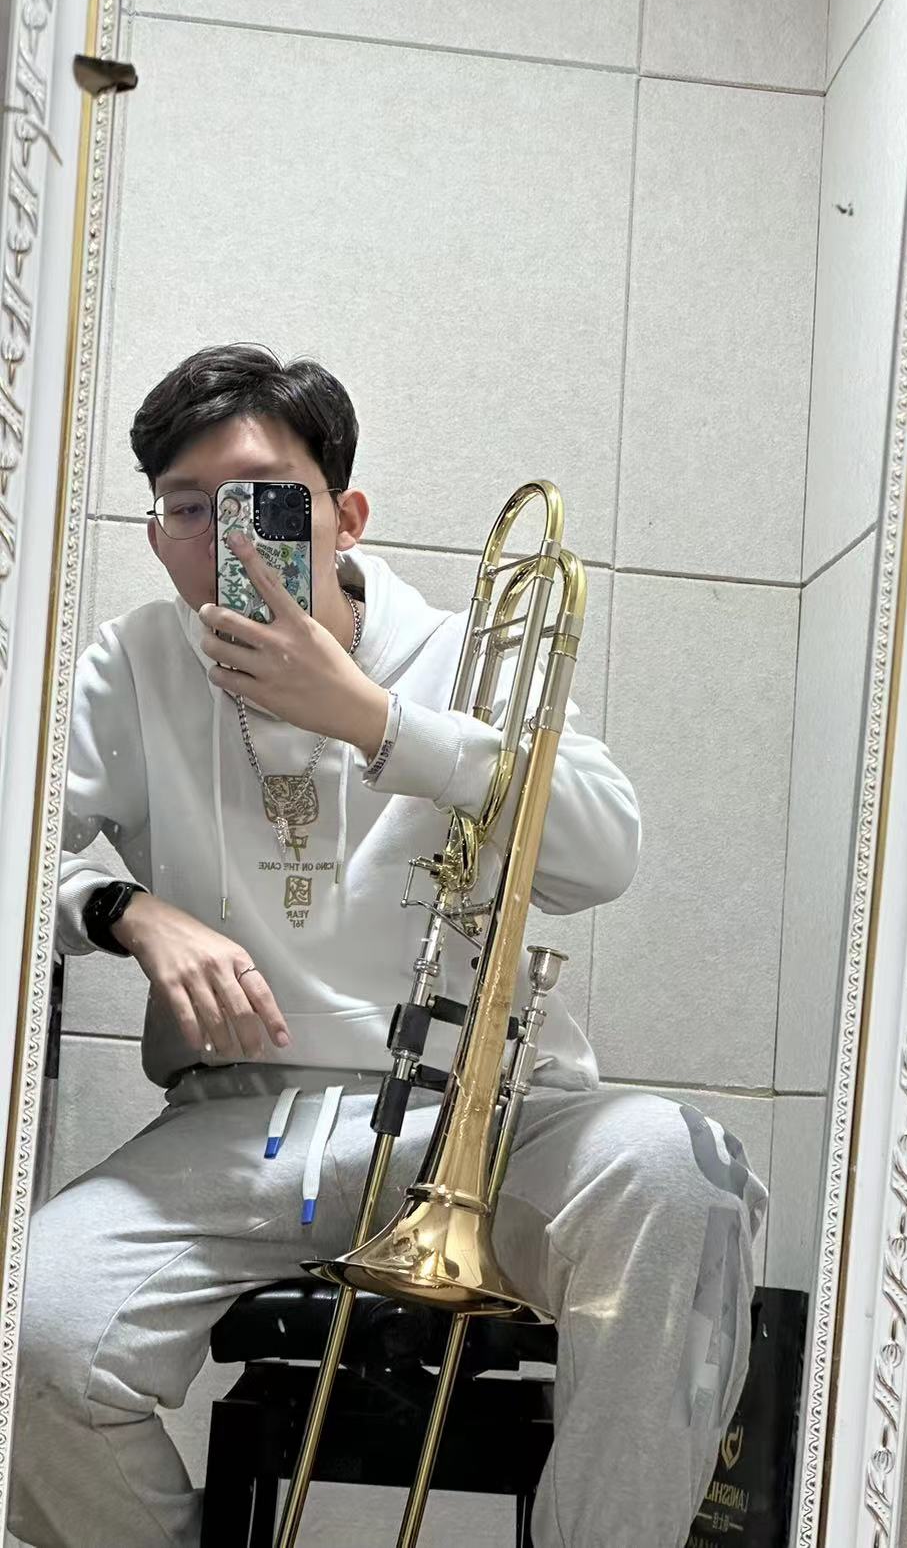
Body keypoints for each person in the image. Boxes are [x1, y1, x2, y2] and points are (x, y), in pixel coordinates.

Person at [10, 344, 766, 1548]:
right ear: (155, 536)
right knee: (30, 1334)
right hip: (237, 1125)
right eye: (186, 509)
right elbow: (17, 851)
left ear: (346, 515)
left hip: (491, 1115)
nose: (223, 538)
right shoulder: (136, 664)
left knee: (683, 1173)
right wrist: (122, 910)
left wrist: (378, 722)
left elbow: (604, 852)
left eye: (262, 502)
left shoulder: (466, 653)